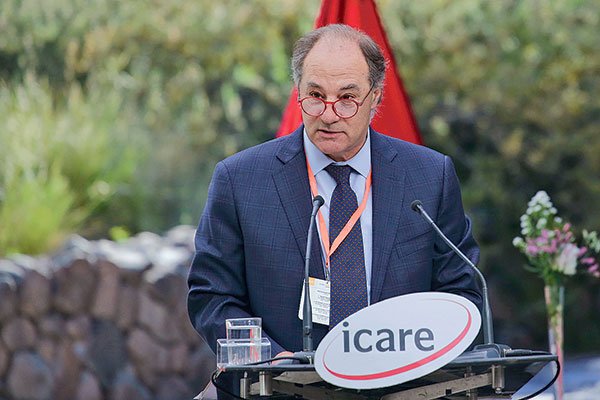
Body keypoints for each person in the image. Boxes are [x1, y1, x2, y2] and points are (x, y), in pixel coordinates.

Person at [188, 23, 482, 372]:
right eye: (315, 96)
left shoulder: (430, 177)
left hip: (403, 385)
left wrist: (419, 357)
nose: (328, 115)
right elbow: (212, 296)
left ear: (375, 97)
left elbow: (462, 292)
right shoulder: (240, 181)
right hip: (284, 389)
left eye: (346, 98)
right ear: (297, 90)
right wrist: (271, 359)